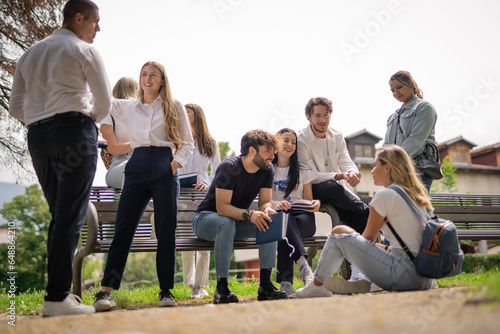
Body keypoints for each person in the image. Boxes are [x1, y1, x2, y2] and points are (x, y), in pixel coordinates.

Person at [9, 0, 111, 317]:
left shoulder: (30, 54)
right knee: (70, 214)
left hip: (38, 137)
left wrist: (42, 119)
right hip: (74, 131)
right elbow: (104, 102)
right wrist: (83, 122)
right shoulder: (83, 50)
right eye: (95, 21)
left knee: (60, 215)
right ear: (78, 18)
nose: (98, 28)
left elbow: (15, 107)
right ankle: (56, 298)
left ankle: (58, 295)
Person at [93, 61, 194, 311]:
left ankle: (166, 291)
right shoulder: (127, 106)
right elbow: (101, 105)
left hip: (164, 165)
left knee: (165, 230)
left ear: (162, 80)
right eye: (144, 74)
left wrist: (171, 167)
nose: (147, 78)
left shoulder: (175, 106)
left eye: (153, 75)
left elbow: (188, 145)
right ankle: (106, 292)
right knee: (124, 229)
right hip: (135, 166)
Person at [296, 145, 434, 298]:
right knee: (347, 236)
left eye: (375, 165)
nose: (372, 170)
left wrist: (341, 241)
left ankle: (316, 286)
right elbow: (410, 245)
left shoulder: (384, 196)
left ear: (387, 168)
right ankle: (359, 279)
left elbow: (367, 241)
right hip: (424, 278)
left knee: (338, 233)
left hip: (402, 276)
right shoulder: (417, 196)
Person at [192, 130, 287, 304]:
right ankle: (221, 288)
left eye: (273, 152)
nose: (272, 156)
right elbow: (222, 208)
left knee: (270, 220)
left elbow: (265, 202)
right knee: (225, 222)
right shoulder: (229, 168)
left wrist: (266, 210)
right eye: (268, 151)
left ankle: (265, 285)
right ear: (252, 150)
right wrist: (249, 214)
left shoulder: (267, 169)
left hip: (234, 222)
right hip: (205, 220)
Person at [297, 97, 370, 286]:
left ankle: (358, 271)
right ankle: (367, 212)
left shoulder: (337, 136)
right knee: (337, 190)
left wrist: (352, 172)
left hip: (335, 189)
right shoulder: (301, 139)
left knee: (359, 218)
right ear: (309, 117)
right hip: (311, 189)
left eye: (326, 115)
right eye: (317, 116)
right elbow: (310, 175)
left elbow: (346, 161)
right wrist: (339, 175)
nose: (322, 120)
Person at [271, 128, 320, 298]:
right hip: (278, 217)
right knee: (284, 223)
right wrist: (278, 203)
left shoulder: (303, 169)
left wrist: (316, 203)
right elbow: (263, 201)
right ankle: (305, 269)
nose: (290, 145)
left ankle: (286, 283)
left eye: (293, 142)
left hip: (304, 219)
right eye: (286, 140)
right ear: (276, 142)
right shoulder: (267, 170)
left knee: (285, 227)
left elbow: (309, 199)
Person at [180, 103, 221, 299]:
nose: (182, 113)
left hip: (203, 195)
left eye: (186, 111)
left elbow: (218, 170)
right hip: (181, 193)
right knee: (185, 238)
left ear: (196, 115)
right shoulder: (178, 139)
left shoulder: (210, 142)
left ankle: (201, 285)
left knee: (204, 238)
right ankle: (190, 284)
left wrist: (208, 184)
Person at [384, 71, 438, 192]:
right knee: (398, 207)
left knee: (416, 207)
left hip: (417, 170)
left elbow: (415, 142)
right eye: (392, 90)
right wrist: (383, 164)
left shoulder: (424, 108)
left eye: (399, 87)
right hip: (395, 171)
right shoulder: (393, 117)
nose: (396, 92)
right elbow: (386, 146)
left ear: (412, 84)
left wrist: (393, 162)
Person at [100, 77, 138, 189]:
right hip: (120, 163)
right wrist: (140, 142)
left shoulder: (142, 112)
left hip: (143, 159)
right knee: (134, 170)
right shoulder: (108, 115)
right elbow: (114, 150)